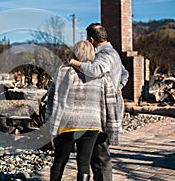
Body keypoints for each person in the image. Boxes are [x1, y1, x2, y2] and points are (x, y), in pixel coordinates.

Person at [46, 40, 121, 181]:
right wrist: (113, 127)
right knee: (84, 163)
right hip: (92, 124)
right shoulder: (102, 75)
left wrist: (49, 122)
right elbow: (111, 101)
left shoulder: (64, 71)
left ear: (75, 53)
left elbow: (52, 98)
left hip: (67, 123)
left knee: (59, 161)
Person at [69, 23, 129, 181]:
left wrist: (74, 63)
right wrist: (119, 87)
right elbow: (125, 73)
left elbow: (96, 70)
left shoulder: (104, 54)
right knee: (99, 151)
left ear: (90, 39)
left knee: (100, 153)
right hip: (109, 104)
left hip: (104, 108)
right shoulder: (113, 52)